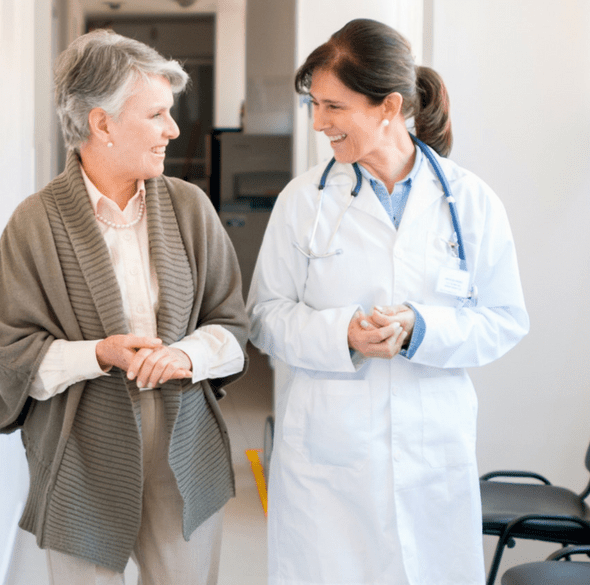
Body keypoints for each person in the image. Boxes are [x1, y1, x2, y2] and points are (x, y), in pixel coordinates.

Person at [246, 18, 529, 585]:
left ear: (388, 106)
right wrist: (341, 334)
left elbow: (503, 319)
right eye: (315, 105)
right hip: (328, 455)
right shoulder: (303, 201)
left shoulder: (469, 202)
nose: (319, 122)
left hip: (432, 452)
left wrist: (422, 328)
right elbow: (264, 317)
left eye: (334, 106)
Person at [0, 29, 248, 585]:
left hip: (183, 443)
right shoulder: (35, 223)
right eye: (156, 115)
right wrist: (99, 354)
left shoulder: (190, 208)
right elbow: (10, 350)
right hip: (82, 450)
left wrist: (187, 357)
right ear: (101, 123)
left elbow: (232, 325)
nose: (172, 130)